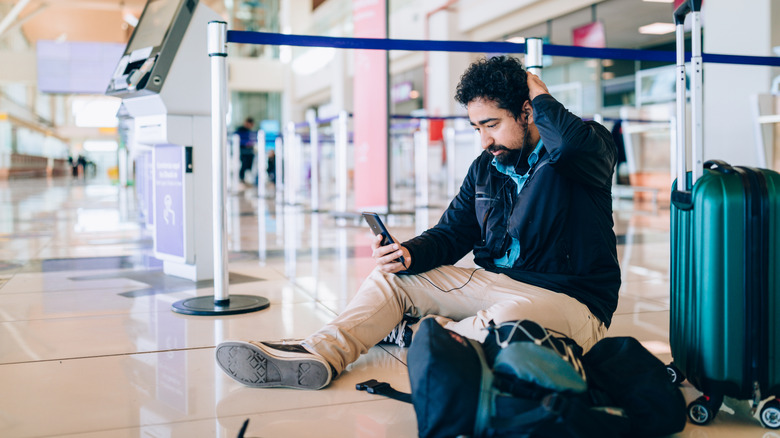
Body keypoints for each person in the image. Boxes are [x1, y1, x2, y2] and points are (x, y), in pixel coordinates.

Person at [216, 55, 620, 390]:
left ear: (529, 111)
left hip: (571, 301)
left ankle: (427, 331)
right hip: (496, 283)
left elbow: (567, 145)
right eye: (477, 127)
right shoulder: (487, 166)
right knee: (393, 280)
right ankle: (320, 353)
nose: (484, 141)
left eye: (492, 125)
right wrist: (410, 253)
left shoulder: (585, 146)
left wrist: (538, 89)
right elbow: (455, 231)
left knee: (500, 327)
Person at [235, 117, 257, 184]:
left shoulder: (249, 131)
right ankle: (242, 178)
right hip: (242, 151)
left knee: (249, 161)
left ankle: (247, 177)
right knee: (244, 164)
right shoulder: (240, 130)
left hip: (248, 151)